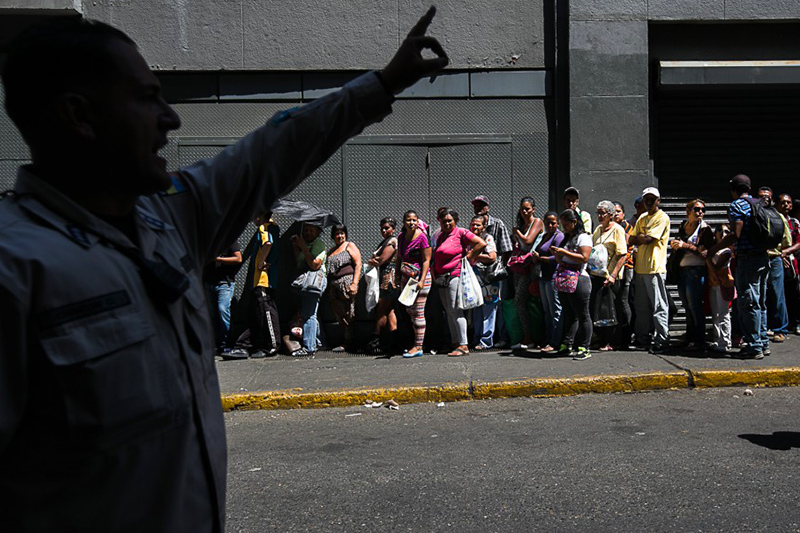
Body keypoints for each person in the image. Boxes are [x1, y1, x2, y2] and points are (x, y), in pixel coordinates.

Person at [0, 11, 448, 530]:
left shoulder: (166, 216)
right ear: (80, 115)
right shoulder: (17, 268)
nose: (170, 118)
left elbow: (273, 150)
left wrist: (383, 84)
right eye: (145, 98)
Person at [707, 174, 769, 358]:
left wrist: (714, 249)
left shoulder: (737, 206)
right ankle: (763, 342)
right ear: (749, 189)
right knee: (761, 301)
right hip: (763, 257)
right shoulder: (762, 203)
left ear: (733, 190)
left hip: (747, 259)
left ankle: (754, 346)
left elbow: (736, 234)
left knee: (748, 302)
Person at [432, 209, 486, 356]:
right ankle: (455, 342)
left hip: (454, 276)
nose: (447, 223)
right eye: (444, 221)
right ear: (439, 221)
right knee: (449, 312)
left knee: (456, 310)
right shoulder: (440, 236)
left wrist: (469, 256)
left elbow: (481, 243)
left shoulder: (461, 232)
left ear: (455, 221)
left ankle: (463, 345)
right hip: (442, 278)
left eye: (450, 220)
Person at [228, 214, 282, 359]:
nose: (253, 219)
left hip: (263, 280)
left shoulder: (265, 228)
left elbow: (268, 243)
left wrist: (260, 263)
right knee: (258, 314)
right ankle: (245, 345)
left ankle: (271, 346)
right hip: (263, 281)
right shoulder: (273, 228)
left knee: (266, 312)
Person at [628, 187, 671, 354]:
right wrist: (640, 238)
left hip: (655, 268)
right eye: (646, 198)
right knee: (641, 307)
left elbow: (649, 239)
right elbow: (632, 239)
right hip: (640, 269)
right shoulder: (642, 218)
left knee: (659, 305)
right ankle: (643, 338)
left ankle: (662, 339)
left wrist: (640, 237)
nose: (649, 201)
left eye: (652, 199)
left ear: (658, 201)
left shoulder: (662, 218)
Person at [669, 199, 714, 351]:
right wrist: (676, 244)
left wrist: (684, 245)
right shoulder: (683, 225)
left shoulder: (705, 229)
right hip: (682, 271)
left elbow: (704, 253)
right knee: (687, 306)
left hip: (696, 271)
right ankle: (689, 338)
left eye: (703, 210)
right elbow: (680, 243)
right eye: (696, 209)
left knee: (695, 306)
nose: (700, 212)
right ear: (688, 211)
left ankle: (699, 340)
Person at [551, 209, 593, 360]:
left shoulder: (583, 238)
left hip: (580, 279)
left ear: (574, 222)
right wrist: (558, 255)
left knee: (583, 314)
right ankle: (567, 344)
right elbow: (563, 260)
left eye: (566, 224)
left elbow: (584, 257)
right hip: (565, 279)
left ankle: (585, 347)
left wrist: (564, 252)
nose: (564, 227)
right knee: (569, 314)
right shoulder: (567, 238)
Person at [589, 201, 628, 351]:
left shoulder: (617, 230)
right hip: (597, 274)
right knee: (599, 308)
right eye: (598, 213)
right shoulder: (598, 229)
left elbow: (622, 255)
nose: (599, 216)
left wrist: (613, 275)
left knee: (611, 308)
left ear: (610, 215)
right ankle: (601, 339)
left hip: (611, 276)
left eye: (602, 213)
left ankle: (612, 341)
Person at [396, 209, 432, 357]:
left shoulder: (422, 237)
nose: (411, 223)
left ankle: (418, 346)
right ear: (404, 222)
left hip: (419, 279)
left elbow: (426, 260)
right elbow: (399, 257)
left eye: (414, 220)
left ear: (418, 222)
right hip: (406, 278)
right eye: (408, 220)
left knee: (418, 312)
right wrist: (398, 276)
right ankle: (416, 342)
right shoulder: (401, 237)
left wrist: (422, 280)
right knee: (410, 311)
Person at [757, 187, 791, 343]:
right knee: (758, 295)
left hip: (774, 259)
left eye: (767, 197)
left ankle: (780, 329)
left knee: (777, 294)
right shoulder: (754, 215)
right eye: (761, 197)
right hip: (758, 258)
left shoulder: (778, 217)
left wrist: (778, 252)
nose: (764, 200)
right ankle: (761, 329)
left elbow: (787, 242)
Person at [509, 196, 543, 350]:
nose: (524, 211)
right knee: (521, 301)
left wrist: (517, 233)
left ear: (533, 209)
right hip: (521, 267)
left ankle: (533, 337)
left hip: (533, 267)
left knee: (525, 300)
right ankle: (528, 335)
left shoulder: (537, 222)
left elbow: (528, 242)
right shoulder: (522, 225)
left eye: (527, 208)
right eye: (522, 208)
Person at [291, 222, 328, 355]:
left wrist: (304, 248)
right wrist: (297, 247)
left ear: (318, 232)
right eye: (306, 230)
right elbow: (299, 263)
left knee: (309, 314)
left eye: (311, 230)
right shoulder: (305, 244)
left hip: (315, 280)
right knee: (312, 312)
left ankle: (309, 347)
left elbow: (314, 265)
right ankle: (319, 342)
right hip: (307, 281)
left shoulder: (319, 244)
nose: (308, 233)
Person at [530, 211, 564, 352]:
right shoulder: (545, 236)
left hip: (553, 276)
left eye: (553, 222)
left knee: (555, 310)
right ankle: (548, 338)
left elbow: (555, 257)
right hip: (544, 277)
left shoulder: (559, 236)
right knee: (546, 311)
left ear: (557, 223)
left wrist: (539, 258)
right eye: (548, 222)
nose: (550, 225)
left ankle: (555, 341)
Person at [325, 224, 362, 352]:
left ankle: (350, 343)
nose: (339, 236)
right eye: (337, 233)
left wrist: (355, 283)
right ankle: (345, 341)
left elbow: (358, 264)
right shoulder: (331, 251)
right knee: (339, 314)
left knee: (349, 313)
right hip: (334, 285)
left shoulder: (349, 246)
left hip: (346, 283)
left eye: (342, 233)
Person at [365, 217, 399, 354]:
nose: (384, 231)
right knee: (388, 311)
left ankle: (378, 340)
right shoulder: (385, 241)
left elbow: (381, 260)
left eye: (387, 228)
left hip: (389, 280)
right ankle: (391, 342)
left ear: (393, 229)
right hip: (385, 279)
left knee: (383, 309)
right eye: (382, 228)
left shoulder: (392, 241)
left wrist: (374, 260)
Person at [203, 241, 243, 354]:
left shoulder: (229, 241)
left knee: (223, 310)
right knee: (212, 314)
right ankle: (217, 343)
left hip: (225, 282)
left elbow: (238, 258)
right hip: (209, 281)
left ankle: (227, 343)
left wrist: (218, 259)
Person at [469, 214, 499, 350]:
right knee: (477, 309)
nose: (475, 227)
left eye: (478, 224)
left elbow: (492, 257)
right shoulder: (469, 239)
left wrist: (475, 255)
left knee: (488, 309)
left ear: (483, 227)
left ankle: (486, 341)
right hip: (474, 279)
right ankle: (477, 338)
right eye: (473, 224)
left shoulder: (487, 238)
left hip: (487, 280)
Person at [706, 224, 735, 354]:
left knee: (723, 313)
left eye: (726, 231)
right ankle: (717, 340)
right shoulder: (713, 249)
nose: (722, 233)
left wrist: (707, 259)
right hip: (713, 284)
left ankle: (725, 342)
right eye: (719, 230)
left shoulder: (726, 251)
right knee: (715, 314)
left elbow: (716, 268)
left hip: (724, 284)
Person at [776, 193, 800, 335]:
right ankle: (780, 324)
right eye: (783, 203)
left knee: (794, 293)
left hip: (791, 263)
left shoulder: (794, 223)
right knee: (777, 294)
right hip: (775, 261)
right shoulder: (772, 220)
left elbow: (798, 243)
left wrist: (785, 253)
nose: (786, 205)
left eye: (788, 203)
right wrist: (778, 254)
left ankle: (795, 322)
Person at [612, 201, 634, 349]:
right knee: (615, 303)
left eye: (618, 211)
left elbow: (626, 246)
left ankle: (627, 337)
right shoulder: (609, 228)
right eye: (613, 212)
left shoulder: (627, 228)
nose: (615, 214)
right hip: (613, 269)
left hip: (626, 267)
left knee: (623, 301)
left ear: (623, 214)